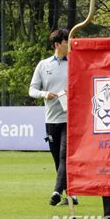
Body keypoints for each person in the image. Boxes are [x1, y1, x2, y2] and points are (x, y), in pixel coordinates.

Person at [29, 28, 77, 206]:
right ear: (58, 44)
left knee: (65, 156)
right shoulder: (43, 65)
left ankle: (57, 191)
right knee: (58, 158)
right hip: (51, 120)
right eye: (66, 42)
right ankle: (70, 194)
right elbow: (32, 90)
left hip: (69, 119)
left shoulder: (74, 63)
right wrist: (45, 94)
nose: (69, 44)